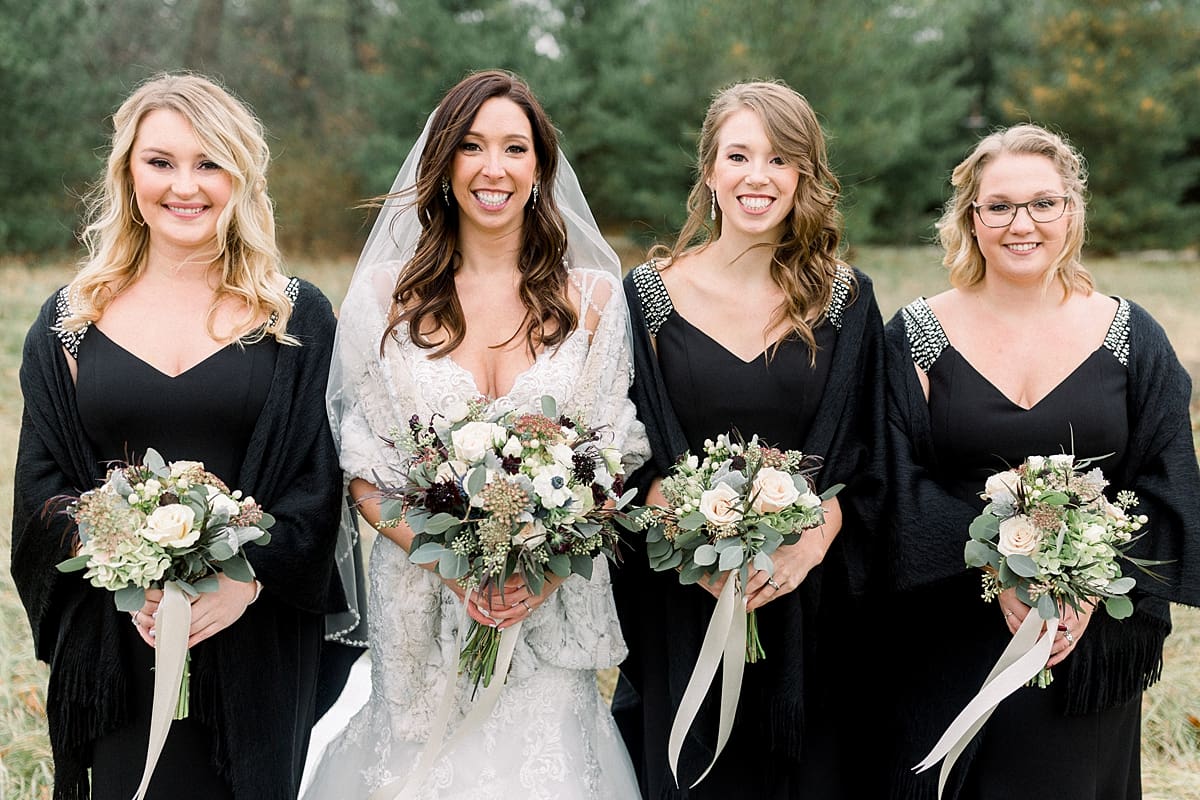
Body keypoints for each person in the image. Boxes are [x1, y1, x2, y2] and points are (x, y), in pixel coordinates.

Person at [302, 69, 649, 799]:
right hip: (423, 606)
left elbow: (613, 463)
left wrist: (539, 574)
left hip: (547, 615)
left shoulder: (594, 301)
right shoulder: (382, 298)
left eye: (515, 148)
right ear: (443, 164)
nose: (493, 168)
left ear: (539, 167)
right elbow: (362, 469)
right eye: (471, 146)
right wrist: (456, 566)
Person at [11, 73, 347, 800]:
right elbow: (40, 493)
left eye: (209, 163)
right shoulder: (69, 323)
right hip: (120, 643)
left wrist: (245, 578)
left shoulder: (295, 318)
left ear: (241, 176)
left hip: (254, 637)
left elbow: (319, 488)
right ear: (128, 173)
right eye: (160, 162)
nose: (183, 186)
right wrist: (123, 558)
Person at [880, 123, 1200, 799]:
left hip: (1083, 649)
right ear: (971, 218)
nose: (1021, 224)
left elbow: (1167, 487)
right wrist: (1006, 570)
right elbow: (891, 483)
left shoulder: (1131, 336)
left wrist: (1082, 586)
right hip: (948, 633)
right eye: (999, 206)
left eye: (1043, 203)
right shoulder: (914, 335)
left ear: (1072, 212)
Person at [612, 80, 886, 799]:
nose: (757, 176)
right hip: (682, 592)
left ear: (804, 175)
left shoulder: (847, 298)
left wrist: (812, 541)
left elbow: (868, 450)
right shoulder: (646, 294)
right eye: (738, 155)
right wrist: (682, 529)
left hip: (812, 599)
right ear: (709, 171)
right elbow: (625, 446)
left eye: (780, 158)